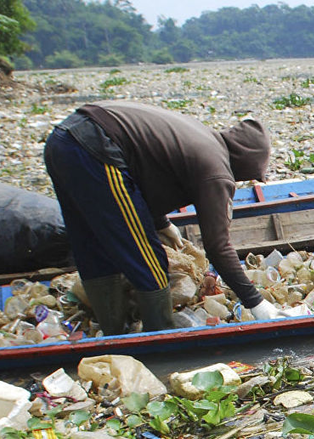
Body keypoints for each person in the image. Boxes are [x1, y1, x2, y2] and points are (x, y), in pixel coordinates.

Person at [43, 101, 281, 335]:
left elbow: (145, 172)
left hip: (62, 141)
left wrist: (162, 223)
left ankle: (114, 334)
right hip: (96, 146)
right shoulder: (216, 168)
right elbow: (218, 247)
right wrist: (256, 303)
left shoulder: (201, 135)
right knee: (148, 257)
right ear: (244, 162)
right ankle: (160, 335)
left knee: (90, 242)